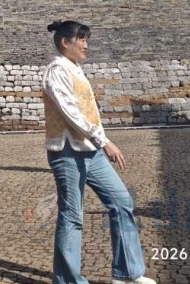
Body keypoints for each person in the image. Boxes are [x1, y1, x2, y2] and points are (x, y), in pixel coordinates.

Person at [42, 20, 155, 284]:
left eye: (86, 39)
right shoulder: (56, 71)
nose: (86, 45)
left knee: (121, 201)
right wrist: (104, 141)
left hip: (89, 150)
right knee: (72, 215)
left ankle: (127, 273)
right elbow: (71, 113)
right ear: (65, 42)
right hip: (67, 152)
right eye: (81, 39)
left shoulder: (76, 70)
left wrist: (98, 141)